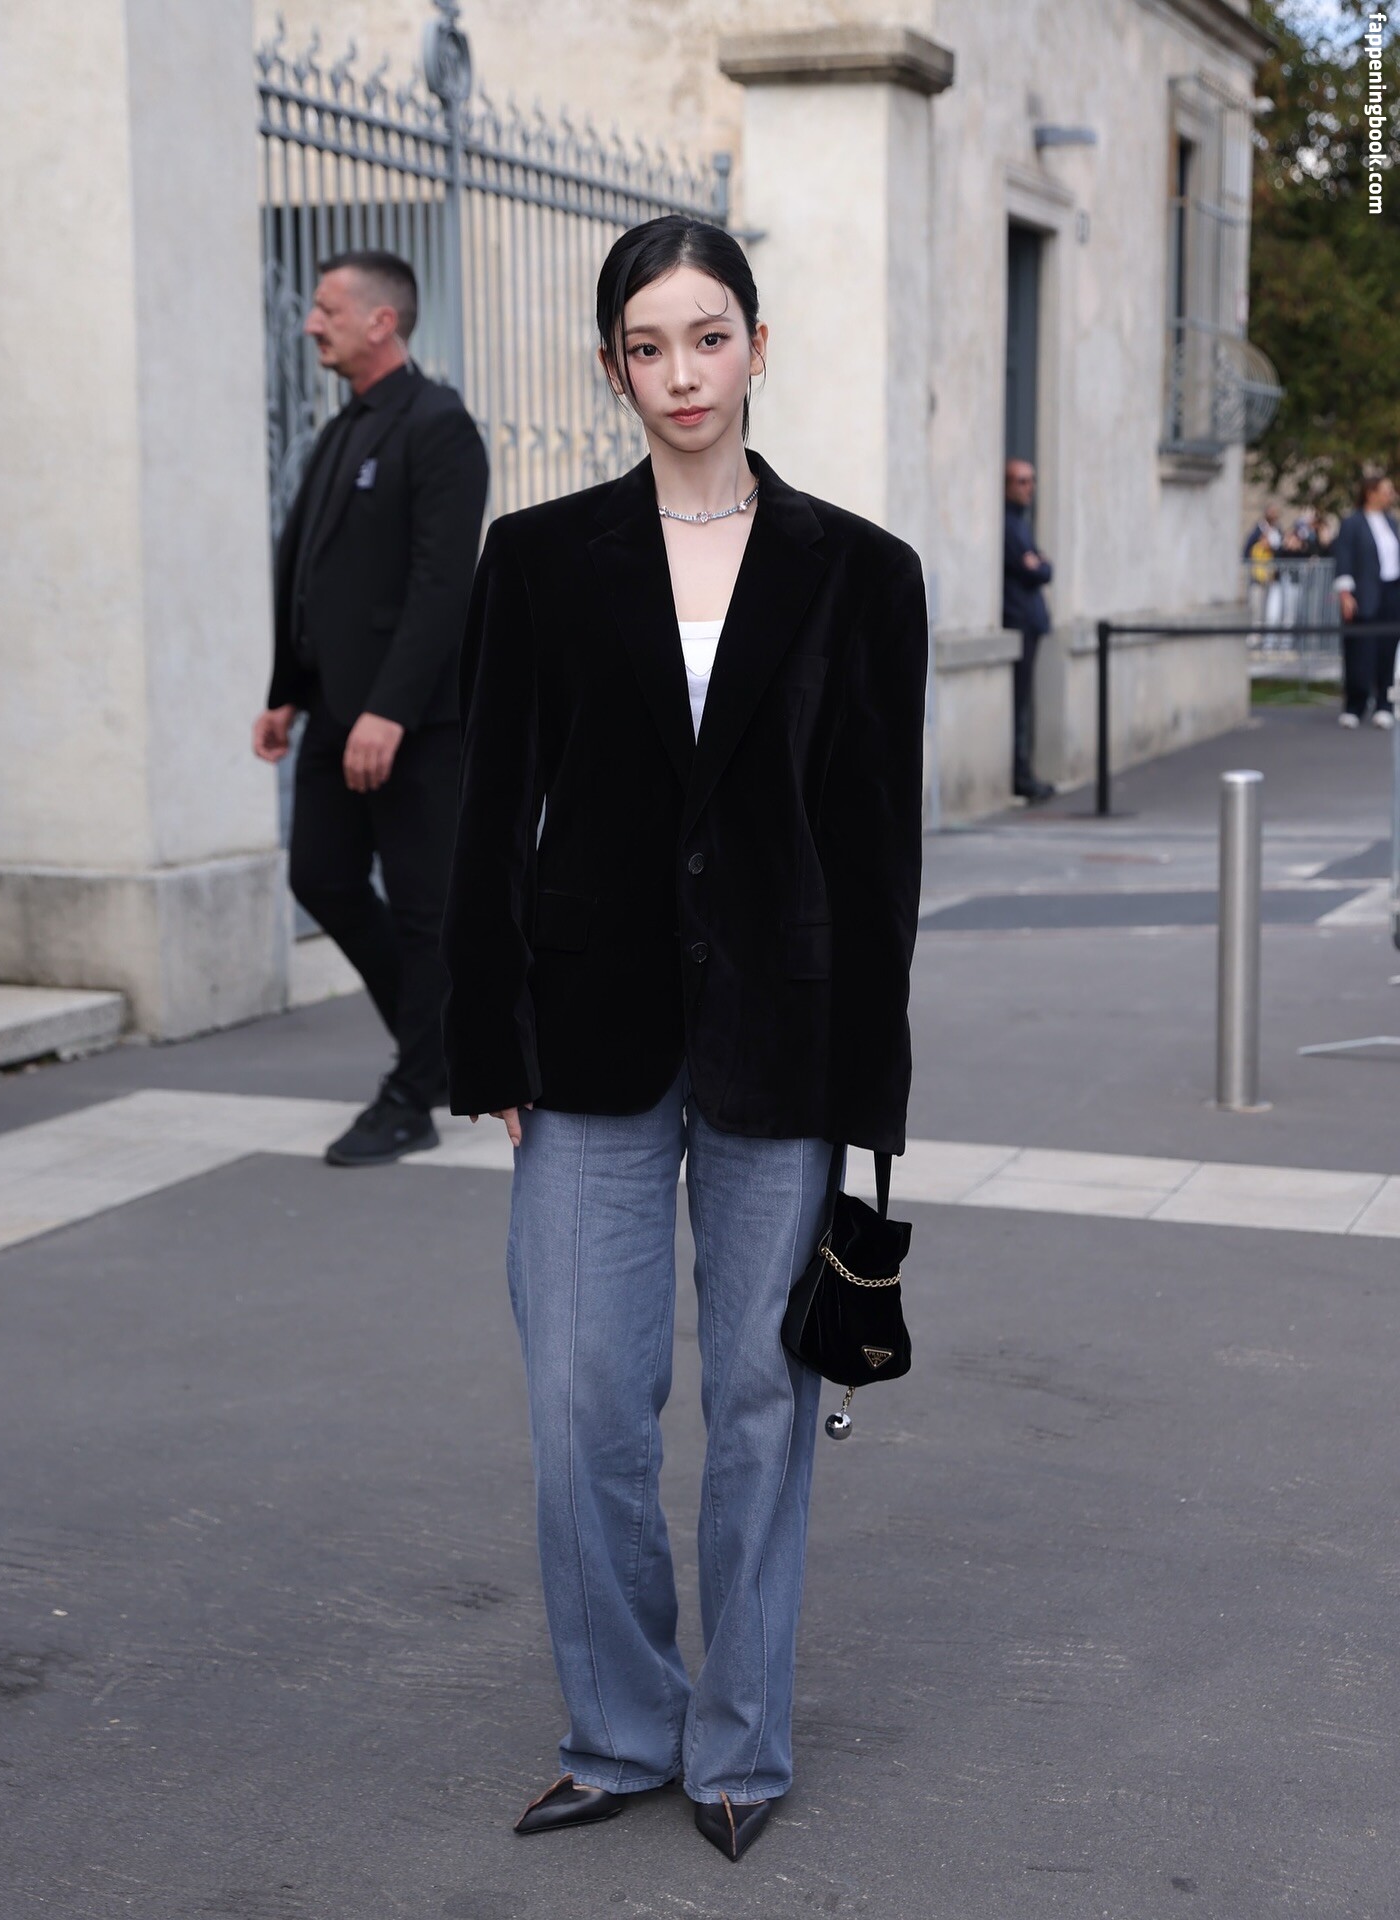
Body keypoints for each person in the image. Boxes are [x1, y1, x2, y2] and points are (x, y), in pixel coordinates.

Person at [440, 217, 927, 1861]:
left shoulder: (861, 572)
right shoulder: (538, 557)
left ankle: (739, 1743)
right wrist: (486, 1038)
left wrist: (871, 1085)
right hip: (583, 1035)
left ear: (757, 346)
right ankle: (620, 1725)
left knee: (760, 1404)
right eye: (647, 348)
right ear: (613, 369)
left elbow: (877, 853)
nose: (681, 374)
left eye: (708, 338)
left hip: (783, 1036)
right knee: (584, 1399)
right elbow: (488, 811)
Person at [253, 250, 489, 1164]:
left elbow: (442, 585)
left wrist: (389, 711)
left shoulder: (438, 426)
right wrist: (286, 691)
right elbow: (309, 573)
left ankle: (411, 1095)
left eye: (328, 308)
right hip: (331, 712)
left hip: (412, 725)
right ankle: (445, 1046)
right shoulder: (343, 428)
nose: (312, 322)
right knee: (321, 877)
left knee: (426, 910)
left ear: (382, 321)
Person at [1002, 459, 1056, 803]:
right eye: (1021, 481)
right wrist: (1037, 565)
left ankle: (1024, 772)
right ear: (1007, 485)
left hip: (1030, 621)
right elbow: (1033, 571)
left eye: (1031, 480)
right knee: (1019, 704)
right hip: (1019, 620)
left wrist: (1039, 564)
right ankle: (1020, 775)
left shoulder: (1021, 524)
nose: (1029, 487)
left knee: (1025, 703)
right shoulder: (1008, 525)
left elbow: (1045, 569)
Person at [1331, 466, 1400, 730]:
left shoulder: (1391, 522)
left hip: (1391, 593)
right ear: (1371, 493)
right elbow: (1344, 557)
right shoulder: (1353, 523)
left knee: (1387, 650)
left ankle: (1384, 705)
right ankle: (1355, 706)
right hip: (1364, 596)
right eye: (1386, 490)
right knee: (1360, 651)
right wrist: (1345, 593)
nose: (1391, 495)